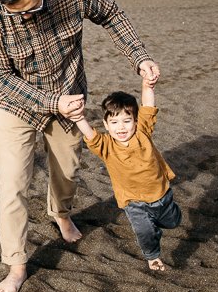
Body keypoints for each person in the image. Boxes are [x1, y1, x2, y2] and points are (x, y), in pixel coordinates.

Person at [0, 0, 159, 292]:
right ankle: (16, 265)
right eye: (18, 13)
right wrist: (48, 102)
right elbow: (1, 79)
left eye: (30, 8)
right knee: (12, 186)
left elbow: (112, 15)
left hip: (69, 99)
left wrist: (140, 56)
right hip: (17, 106)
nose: (26, 17)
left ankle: (60, 214)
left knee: (68, 169)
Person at [69, 77, 181, 271]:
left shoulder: (142, 132)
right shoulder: (106, 146)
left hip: (161, 194)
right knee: (144, 231)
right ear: (106, 123)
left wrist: (147, 85)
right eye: (114, 122)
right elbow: (91, 136)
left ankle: (167, 217)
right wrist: (79, 118)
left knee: (172, 222)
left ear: (136, 122)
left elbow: (147, 106)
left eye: (126, 121)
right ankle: (152, 257)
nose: (121, 127)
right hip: (133, 202)